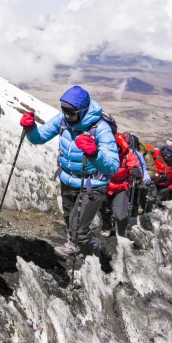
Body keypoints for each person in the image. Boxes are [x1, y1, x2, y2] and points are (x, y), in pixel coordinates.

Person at [21, 86, 120, 265]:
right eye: (64, 111)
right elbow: (39, 138)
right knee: (69, 219)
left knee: (78, 229)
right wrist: (30, 129)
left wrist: (94, 153)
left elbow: (113, 166)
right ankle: (78, 248)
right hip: (68, 179)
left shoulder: (101, 129)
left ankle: (96, 253)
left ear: (82, 112)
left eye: (71, 113)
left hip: (93, 184)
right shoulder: (63, 120)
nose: (67, 116)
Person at [100, 133, 147, 237]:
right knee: (105, 208)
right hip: (105, 184)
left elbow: (134, 164)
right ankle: (106, 226)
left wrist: (135, 170)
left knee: (120, 214)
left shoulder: (128, 154)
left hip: (121, 186)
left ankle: (121, 232)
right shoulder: (104, 152)